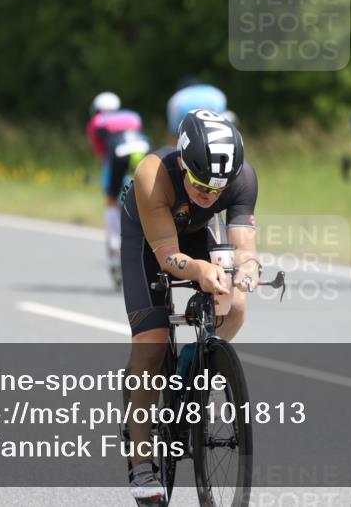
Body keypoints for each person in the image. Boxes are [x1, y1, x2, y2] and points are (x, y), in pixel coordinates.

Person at [120, 109, 259, 504]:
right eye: (200, 185)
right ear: (182, 161)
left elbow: (245, 247)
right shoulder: (153, 174)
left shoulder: (242, 177)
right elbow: (167, 255)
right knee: (152, 341)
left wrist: (246, 270)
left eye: (219, 189)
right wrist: (198, 270)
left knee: (234, 306)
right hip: (149, 239)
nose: (209, 195)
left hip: (197, 232)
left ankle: (194, 362)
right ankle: (141, 459)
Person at [86, 92, 150, 272]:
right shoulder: (131, 116)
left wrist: (108, 182)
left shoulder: (96, 122)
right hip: (142, 147)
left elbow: (102, 156)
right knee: (138, 189)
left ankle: (114, 240)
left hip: (118, 152)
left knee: (111, 198)